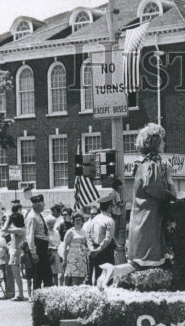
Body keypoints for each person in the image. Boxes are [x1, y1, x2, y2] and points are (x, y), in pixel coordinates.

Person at [99, 123, 176, 287]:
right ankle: (113, 272)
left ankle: (113, 272)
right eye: (162, 141)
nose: (164, 144)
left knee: (142, 262)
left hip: (143, 218)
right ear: (155, 142)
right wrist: (171, 189)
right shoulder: (151, 165)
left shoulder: (144, 164)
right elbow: (153, 188)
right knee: (148, 260)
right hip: (149, 219)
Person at [24, 194, 53, 289]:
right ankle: (37, 299)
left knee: (47, 276)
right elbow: (30, 235)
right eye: (42, 205)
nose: (44, 206)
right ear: (36, 205)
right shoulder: (32, 217)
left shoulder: (39, 215)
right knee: (38, 276)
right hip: (38, 247)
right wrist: (33, 253)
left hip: (43, 247)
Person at [88, 199, 117, 274]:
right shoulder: (110, 220)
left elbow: (89, 235)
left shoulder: (94, 219)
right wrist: (99, 249)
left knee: (98, 275)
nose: (113, 208)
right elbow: (108, 239)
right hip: (106, 251)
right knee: (108, 275)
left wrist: (92, 248)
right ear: (109, 207)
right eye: (112, 206)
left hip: (95, 249)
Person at [62, 213, 89, 286]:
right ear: (73, 221)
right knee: (73, 278)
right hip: (72, 259)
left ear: (82, 221)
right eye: (76, 220)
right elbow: (64, 246)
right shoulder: (70, 232)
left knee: (81, 278)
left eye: (79, 220)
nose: (78, 221)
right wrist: (64, 260)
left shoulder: (84, 231)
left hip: (82, 259)